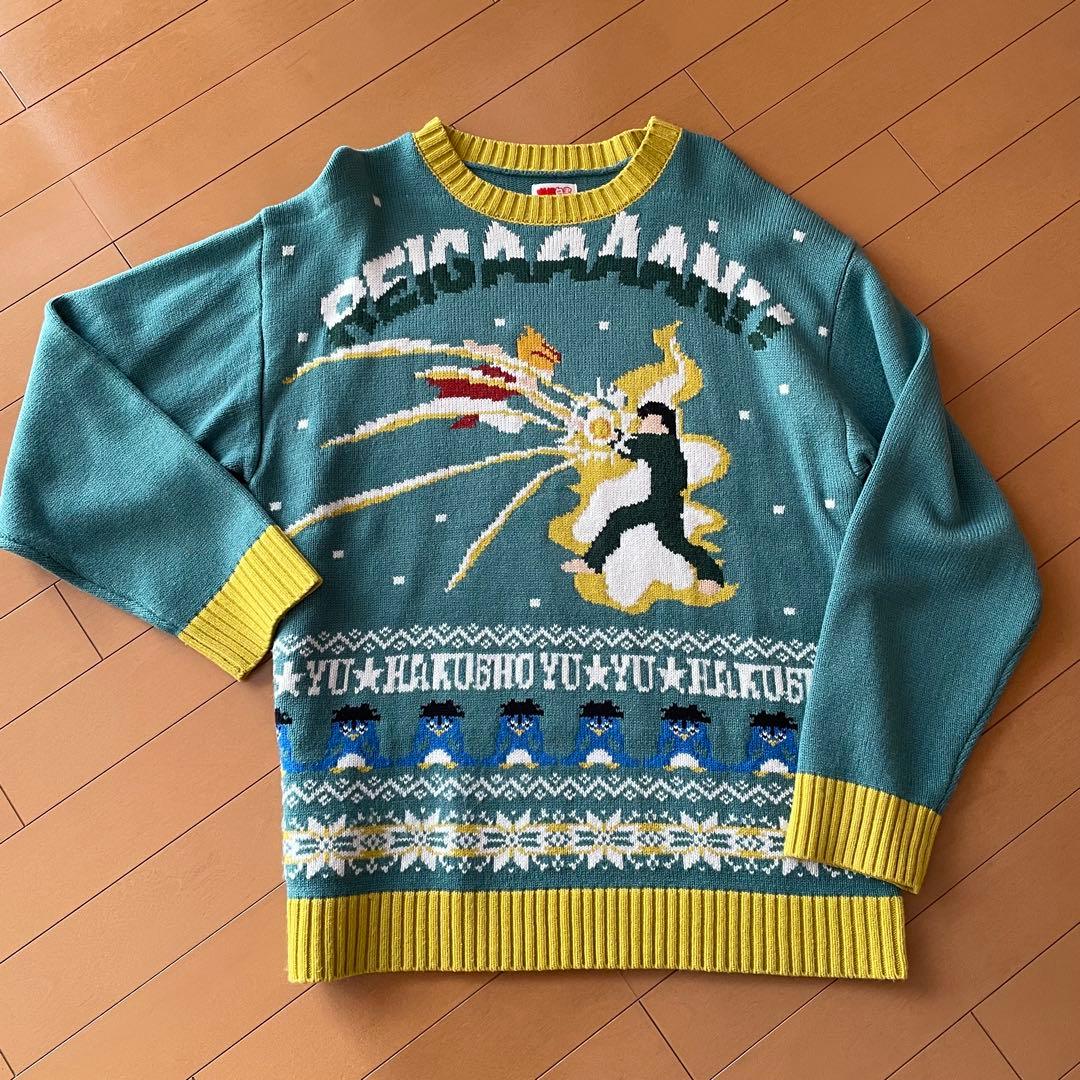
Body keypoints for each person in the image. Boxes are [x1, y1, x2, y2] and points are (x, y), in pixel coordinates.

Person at [561, 402, 724, 595]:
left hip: (665, 504)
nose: (641, 425)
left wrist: (602, 432)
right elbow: (633, 446)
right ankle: (592, 563)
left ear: (662, 426)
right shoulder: (663, 444)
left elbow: (632, 446)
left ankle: (711, 573)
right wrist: (594, 430)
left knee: (669, 540)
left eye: (646, 421)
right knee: (666, 538)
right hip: (661, 502)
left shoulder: (663, 444)